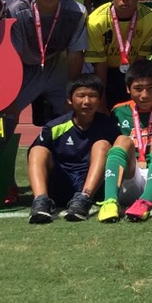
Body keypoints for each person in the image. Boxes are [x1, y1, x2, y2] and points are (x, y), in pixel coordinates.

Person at [26, 76, 120, 224]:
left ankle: (84, 199)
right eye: (81, 96)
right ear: (70, 100)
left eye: (93, 96)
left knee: (103, 145)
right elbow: (35, 158)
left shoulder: (109, 126)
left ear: (100, 100)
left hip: (94, 187)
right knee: (37, 150)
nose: (87, 101)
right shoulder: (55, 127)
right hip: (60, 184)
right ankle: (41, 202)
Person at [7, 0, 88, 133]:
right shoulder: (16, 12)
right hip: (24, 68)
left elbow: (75, 54)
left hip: (56, 65)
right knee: (7, 113)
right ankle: (2, 148)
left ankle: (74, 147)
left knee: (76, 109)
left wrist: (72, 90)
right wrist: (11, 94)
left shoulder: (77, 12)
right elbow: (13, 57)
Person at [102, 59, 152, 222]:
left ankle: (145, 201)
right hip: (130, 178)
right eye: (138, 89)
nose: (144, 95)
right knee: (122, 140)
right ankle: (110, 201)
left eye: (151, 88)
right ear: (128, 89)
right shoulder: (119, 111)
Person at [86, 0, 152, 107]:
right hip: (105, 72)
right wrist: (102, 102)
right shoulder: (96, 21)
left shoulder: (151, 18)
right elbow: (100, 65)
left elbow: (141, 60)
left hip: (135, 71)